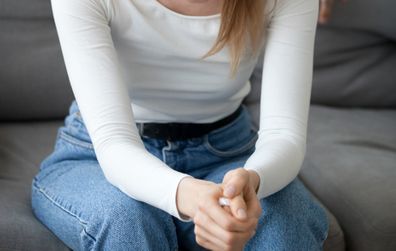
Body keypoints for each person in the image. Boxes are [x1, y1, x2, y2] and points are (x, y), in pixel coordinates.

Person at [31, 0, 329, 250]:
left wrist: (252, 179)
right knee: (127, 220)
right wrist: (186, 195)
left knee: (286, 222)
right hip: (95, 155)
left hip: (228, 153)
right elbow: (114, 141)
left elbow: (284, 134)